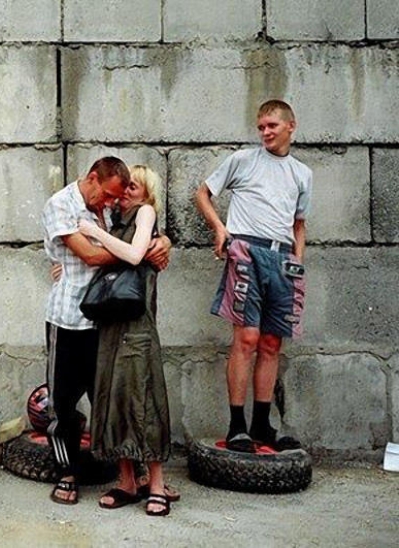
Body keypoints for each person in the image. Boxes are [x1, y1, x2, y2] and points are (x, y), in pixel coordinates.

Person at [41, 157, 171, 505]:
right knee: (64, 403)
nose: (114, 203)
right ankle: (66, 472)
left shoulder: (111, 205)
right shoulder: (61, 205)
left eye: (118, 198)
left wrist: (161, 242)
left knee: (114, 398)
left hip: (107, 320)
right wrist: (140, 253)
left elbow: (138, 223)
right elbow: (91, 256)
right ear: (93, 180)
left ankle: (132, 475)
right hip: (68, 317)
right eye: (110, 195)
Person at [195, 99, 312, 453]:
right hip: (246, 251)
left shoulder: (302, 173)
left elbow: (299, 225)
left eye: (272, 126)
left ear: (290, 126)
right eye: (261, 126)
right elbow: (202, 193)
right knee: (246, 338)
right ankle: (237, 426)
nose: (265, 132)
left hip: (283, 259)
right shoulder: (243, 161)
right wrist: (219, 229)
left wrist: (298, 262)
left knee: (272, 343)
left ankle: (262, 424)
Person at [78, 165, 173, 516]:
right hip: (111, 323)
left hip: (137, 324)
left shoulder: (145, 213)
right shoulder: (114, 218)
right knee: (114, 397)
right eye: (123, 187)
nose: (124, 192)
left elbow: (134, 255)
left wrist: (94, 233)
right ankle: (127, 481)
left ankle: (158, 485)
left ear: (146, 192)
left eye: (132, 186)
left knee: (144, 399)